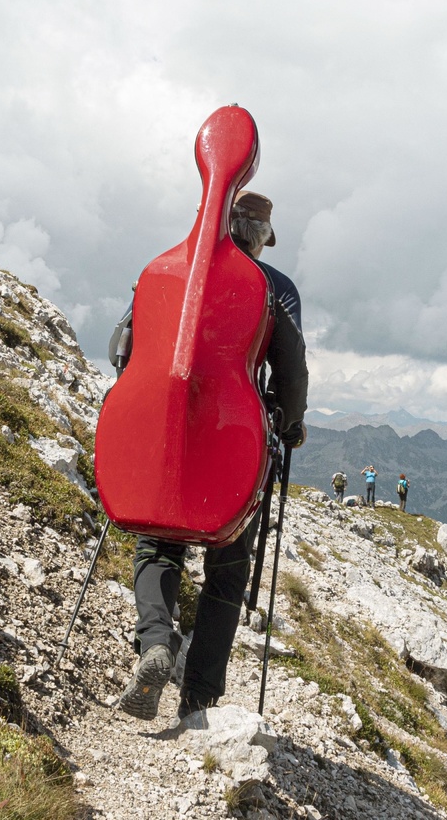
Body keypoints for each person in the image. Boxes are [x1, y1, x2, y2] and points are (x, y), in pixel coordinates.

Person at [116, 190, 309, 722]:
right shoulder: (277, 289)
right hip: (236, 440)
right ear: (262, 238)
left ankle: (157, 643)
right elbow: (290, 368)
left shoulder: (175, 270)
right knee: (228, 565)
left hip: (172, 428)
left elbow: (125, 345)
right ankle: (198, 697)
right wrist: (289, 424)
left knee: (157, 541)